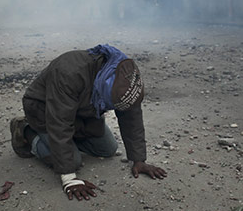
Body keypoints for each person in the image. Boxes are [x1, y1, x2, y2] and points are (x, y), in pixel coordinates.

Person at [10, 44, 167, 201]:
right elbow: (60, 123)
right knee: (74, 161)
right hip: (44, 110)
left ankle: (63, 145)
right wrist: (69, 178)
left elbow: (131, 116)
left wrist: (139, 159)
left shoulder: (126, 75)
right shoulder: (68, 72)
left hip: (83, 110)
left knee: (108, 148)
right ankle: (26, 131)